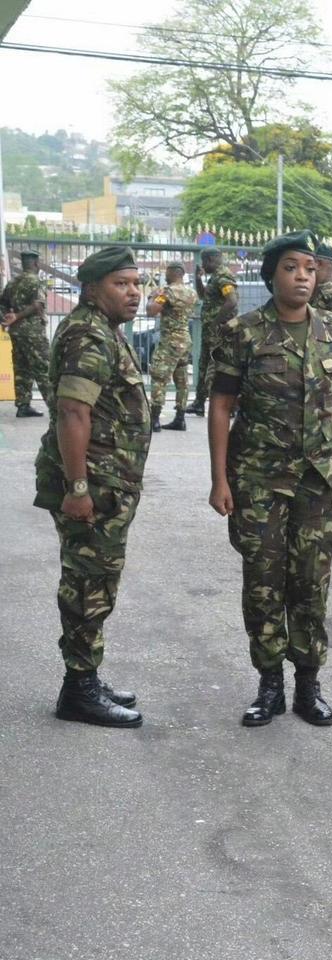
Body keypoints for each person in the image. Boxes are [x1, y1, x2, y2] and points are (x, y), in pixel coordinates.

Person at [207, 230, 332, 728]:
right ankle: (269, 684)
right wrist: (219, 479)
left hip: (319, 481)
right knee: (264, 583)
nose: (303, 277)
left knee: (312, 584)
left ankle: (308, 686)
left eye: (310, 269)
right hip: (259, 480)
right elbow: (222, 406)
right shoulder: (243, 333)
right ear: (272, 275)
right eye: (292, 267)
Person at [33, 246, 149, 727]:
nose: (134, 292)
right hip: (94, 484)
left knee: (97, 581)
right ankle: (78, 689)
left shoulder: (103, 330)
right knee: (88, 584)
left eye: (137, 283)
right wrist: (78, 486)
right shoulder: (88, 335)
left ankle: (86, 674)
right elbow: (72, 412)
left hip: (108, 481)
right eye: (122, 284)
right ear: (91, 288)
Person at [145, 262, 198, 432]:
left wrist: (151, 297)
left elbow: (151, 311)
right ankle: (180, 418)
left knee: (159, 378)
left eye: (166, 272)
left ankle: (154, 419)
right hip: (185, 340)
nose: (164, 276)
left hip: (170, 342)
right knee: (182, 381)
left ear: (173, 272)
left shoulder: (167, 292)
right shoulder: (191, 292)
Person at [187, 248, 239, 416]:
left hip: (219, 332)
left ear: (210, 260)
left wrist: (216, 323)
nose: (203, 265)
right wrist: (198, 279)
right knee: (204, 365)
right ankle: (199, 403)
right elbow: (203, 296)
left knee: (221, 368)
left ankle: (230, 405)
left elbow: (232, 301)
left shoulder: (223, 276)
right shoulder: (214, 277)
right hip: (210, 331)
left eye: (203, 262)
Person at [2, 250, 53, 417]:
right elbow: (38, 304)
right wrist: (18, 315)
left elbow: (2, 304)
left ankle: (23, 405)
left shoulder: (12, 283)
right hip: (33, 332)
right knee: (44, 368)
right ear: (36, 264)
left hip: (16, 332)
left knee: (22, 367)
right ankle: (55, 408)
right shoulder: (36, 282)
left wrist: (6, 319)